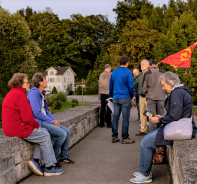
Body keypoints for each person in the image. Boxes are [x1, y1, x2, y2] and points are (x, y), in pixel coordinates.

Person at [130, 72, 197, 183]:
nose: (162, 87)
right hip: (176, 125)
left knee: (146, 143)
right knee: (145, 141)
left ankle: (145, 174)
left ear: (170, 83)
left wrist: (159, 120)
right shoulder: (180, 91)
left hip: (176, 128)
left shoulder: (177, 93)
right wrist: (163, 117)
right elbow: (177, 113)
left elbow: (175, 115)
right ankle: (144, 171)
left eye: (163, 84)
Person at [2, 73, 64, 177]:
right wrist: (35, 125)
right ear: (20, 83)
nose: (28, 85)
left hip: (12, 127)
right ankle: (49, 168)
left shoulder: (13, 93)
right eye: (26, 82)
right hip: (17, 127)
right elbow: (27, 117)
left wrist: (35, 126)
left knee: (43, 132)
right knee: (44, 135)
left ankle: (35, 160)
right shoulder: (20, 95)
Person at [27, 73, 75, 165]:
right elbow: (36, 113)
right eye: (45, 79)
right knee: (62, 134)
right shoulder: (33, 94)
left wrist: (54, 120)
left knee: (67, 131)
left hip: (45, 119)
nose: (47, 81)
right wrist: (51, 121)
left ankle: (63, 157)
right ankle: (54, 159)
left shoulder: (41, 93)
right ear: (40, 82)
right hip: (39, 121)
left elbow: (46, 111)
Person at [109, 55, 135, 144]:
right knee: (125, 118)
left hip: (116, 97)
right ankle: (125, 137)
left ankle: (114, 137)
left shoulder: (114, 72)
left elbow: (111, 85)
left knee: (115, 117)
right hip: (125, 97)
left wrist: (111, 95)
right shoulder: (128, 73)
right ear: (127, 63)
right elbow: (131, 86)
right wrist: (132, 96)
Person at [142, 59, 165, 133]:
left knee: (151, 117)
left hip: (151, 97)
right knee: (160, 117)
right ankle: (160, 135)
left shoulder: (147, 73)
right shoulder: (163, 73)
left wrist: (148, 92)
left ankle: (151, 136)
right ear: (157, 64)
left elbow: (144, 87)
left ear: (149, 65)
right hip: (161, 97)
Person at [135, 60, 149, 136]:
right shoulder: (140, 75)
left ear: (147, 65)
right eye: (141, 64)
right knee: (142, 113)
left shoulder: (150, 74)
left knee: (149, 113)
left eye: (143, 64)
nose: (142, 65)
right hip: (141, 97)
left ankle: (153, 129)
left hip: (149, 97)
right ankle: (143, 129)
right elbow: (136, 84)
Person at [99, 64, 112, 128]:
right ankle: (109, 124)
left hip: (102, 92)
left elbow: (100, 84)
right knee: (109, 109)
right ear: (109, 68)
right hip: (108, 93)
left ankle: (101, 123)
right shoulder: (110, 75)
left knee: (102, 108)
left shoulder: (101, 75)